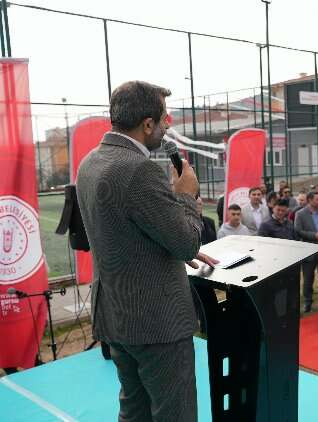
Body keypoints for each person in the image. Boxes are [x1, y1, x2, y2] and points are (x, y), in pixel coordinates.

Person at [76, 81, 218, 421]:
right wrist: (186, 197)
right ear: (148, 123)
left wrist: (172, 243)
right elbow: (187, 241)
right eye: (165, 117)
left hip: (117, 316)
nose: (169, 124)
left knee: (134, 410)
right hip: (156, 324)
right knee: (175, 415)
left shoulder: (90, 162)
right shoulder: (139, 169)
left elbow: (122, 231)